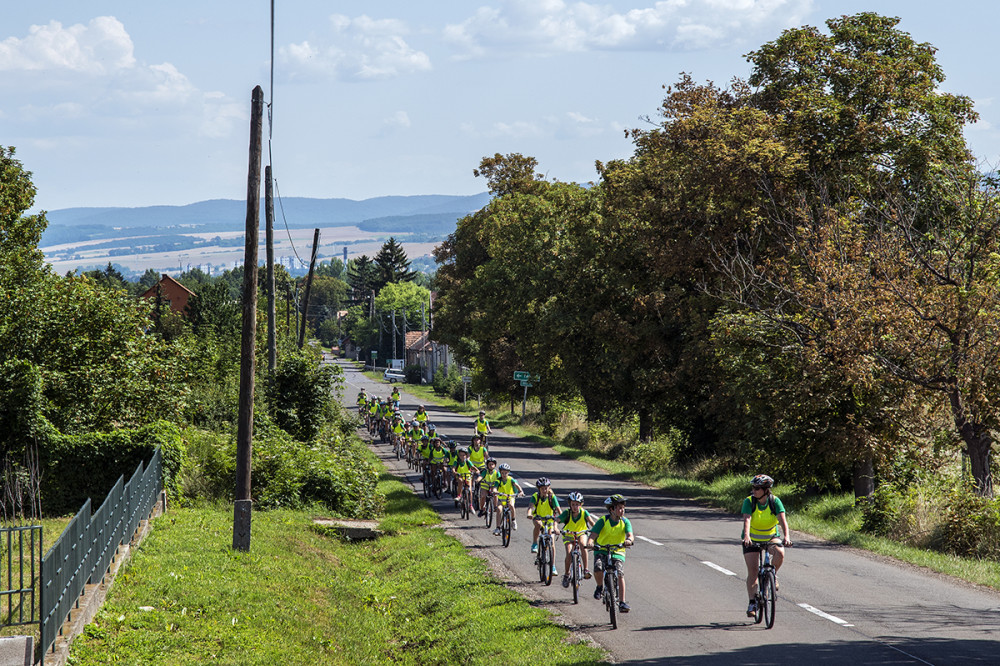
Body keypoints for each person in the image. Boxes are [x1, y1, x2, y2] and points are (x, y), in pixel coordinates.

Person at [741, 474, 792, 618]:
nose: (754, 490)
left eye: (757, 488)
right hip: (751, 538)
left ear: (766, 490)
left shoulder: (775, 501)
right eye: (753, 488)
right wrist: (746, 536)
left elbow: (783, 521)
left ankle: (773, 575)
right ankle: (752, 602)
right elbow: (747, 520)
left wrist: (787, 537)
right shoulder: (749, 501)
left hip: (771, 536)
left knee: (780, 553)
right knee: (753, 572)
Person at [588, 494, 634, 613]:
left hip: (618, 550)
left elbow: (630, 535)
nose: (622, 510)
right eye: (619, 508)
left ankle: (622, 602)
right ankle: (599, 587)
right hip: (601, 549)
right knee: (598, 568)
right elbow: (593, 535)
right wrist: (590, 543)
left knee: (619, 573)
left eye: (623, 508)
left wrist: (629, 540)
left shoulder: (625, 521)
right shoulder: (603, 521)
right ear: (611, 509)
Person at [558, 492, 597, 587]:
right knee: (569, 552)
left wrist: (597, 531)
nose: (575, 507)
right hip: (568, 535)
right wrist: (555, 528)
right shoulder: (567, 513)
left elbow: (592, 523)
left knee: (583, 545)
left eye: (577, 504)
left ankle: (586, 570)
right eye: (573, 504)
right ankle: (567, 574)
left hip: (581, 533)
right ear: (570, 505)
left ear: (581, 504)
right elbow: (557, 520)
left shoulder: (584, 513)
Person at [527, 478, 561, 562]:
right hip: (538, 518)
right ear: (539, 489)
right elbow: (530, 507)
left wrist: (563, 518)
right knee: (538, 525)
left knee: (551, 542)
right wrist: (529, 514)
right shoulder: (536, 496)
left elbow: (558, 509)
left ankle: (552, 565)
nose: (544, 490)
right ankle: (535, 543)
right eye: (542, 488)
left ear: (549, 488)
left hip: (549, 520)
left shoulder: (552, 497)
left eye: (546, 488)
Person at [492, 463, 524, 536]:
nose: (504, 474)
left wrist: (521, 491)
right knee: (499, 510)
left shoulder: (511, 479)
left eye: (506, 473)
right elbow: (494, 488)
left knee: (511, 506)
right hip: (501, 499)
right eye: (502, 473)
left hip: (510, 497)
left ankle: (513, 520)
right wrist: (496, 491)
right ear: (500, 472)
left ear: (508, 473)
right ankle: (498, 527)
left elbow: (517, 485)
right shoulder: (498, 481)